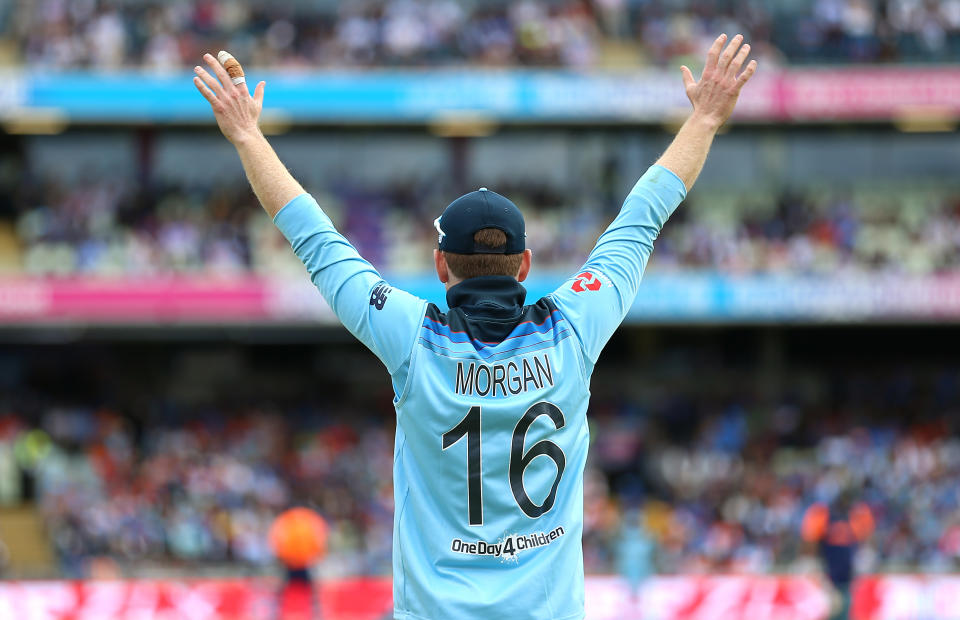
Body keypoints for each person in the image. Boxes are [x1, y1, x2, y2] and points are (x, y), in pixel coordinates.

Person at [192, 33, 756, 620]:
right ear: (527, 266)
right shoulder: (574, 328)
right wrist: (707, 119)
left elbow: (316, 240)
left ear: (440, 265)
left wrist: (247, 135)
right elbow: (641, 218)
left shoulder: (412, 338)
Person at [801, 494, 875, 620]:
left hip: (847, 577)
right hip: (827, 577)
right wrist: (815, 566)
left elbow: (865, 539)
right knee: (829, 609)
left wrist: (864, 557)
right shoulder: (822, 514)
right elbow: (811, 542)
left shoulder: (855, 515)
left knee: (845, 609)